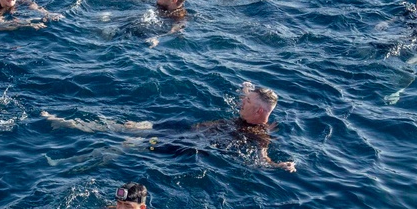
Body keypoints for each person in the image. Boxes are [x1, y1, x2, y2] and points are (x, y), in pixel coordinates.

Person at [41, 82, 296, 172]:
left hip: (186, 144)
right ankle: (66, 123)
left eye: (247, 101)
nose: (242, 102)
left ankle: (68, 162)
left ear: (260, 112)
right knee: (127, 126)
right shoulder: (248, 112)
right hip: (183, 128)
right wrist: (246, 89)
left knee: (126, 146)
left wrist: (279, 165)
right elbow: (250, 96)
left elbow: (263, 159)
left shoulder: (260, 135)